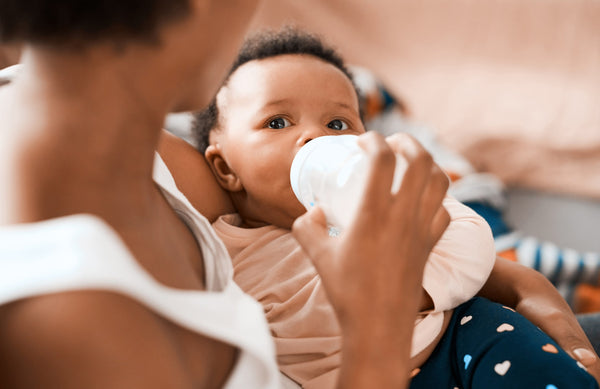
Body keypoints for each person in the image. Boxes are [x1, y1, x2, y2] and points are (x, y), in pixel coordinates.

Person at [0, 1, 454, 388]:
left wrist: (513, 281)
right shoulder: (66, 321)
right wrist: (377, 328)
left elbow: (269, 220)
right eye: (277, 122)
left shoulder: (125, 143)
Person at [191, 28, 599, 388]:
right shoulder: (220, 252)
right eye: (278, 122)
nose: (314, 136)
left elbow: (472, 243)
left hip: (459, 338)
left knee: (512, 344)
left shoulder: (380, 210)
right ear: (225, 168)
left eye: (338, 124)